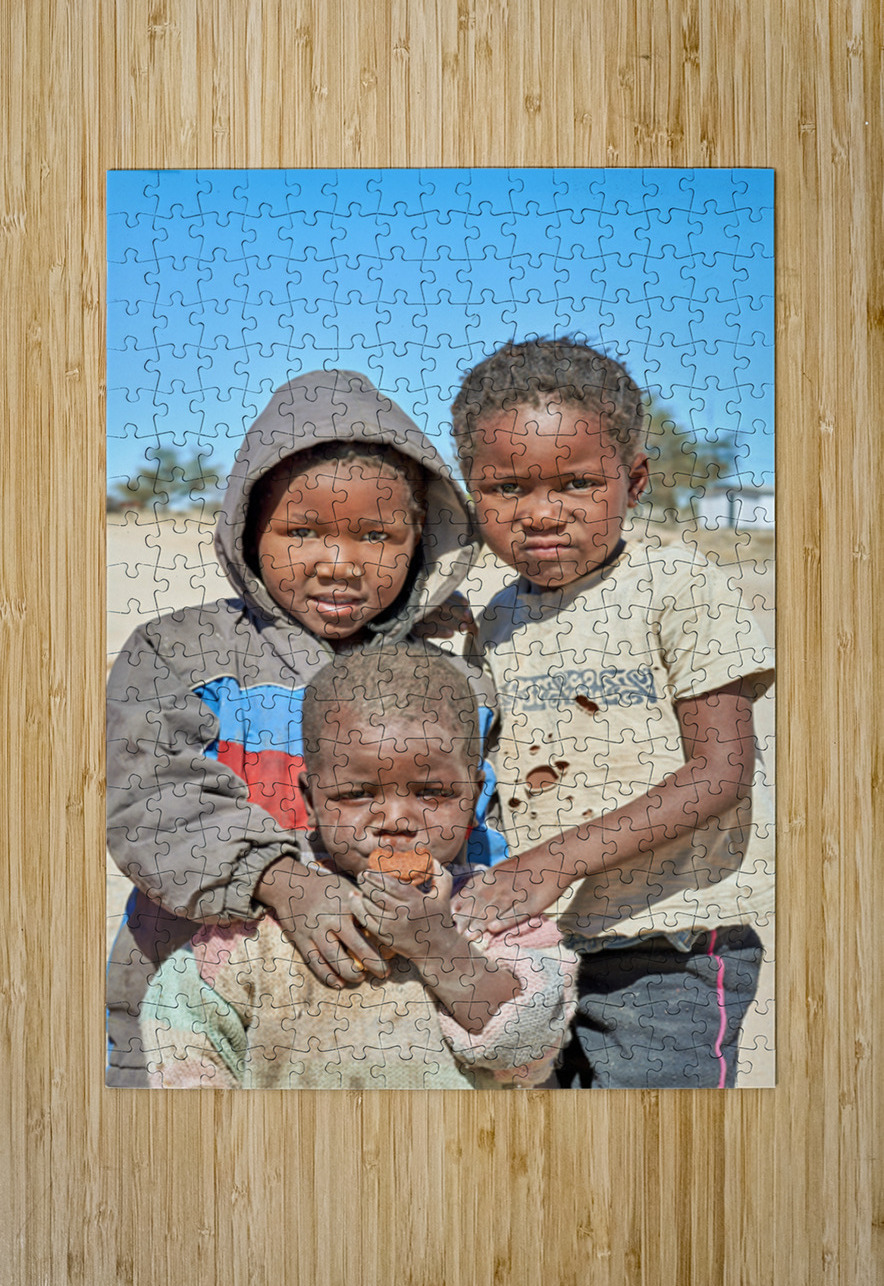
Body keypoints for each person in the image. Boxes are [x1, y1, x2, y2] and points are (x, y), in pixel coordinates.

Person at [106, 370, 504, 1086]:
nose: (339, 563)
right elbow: (153, 805)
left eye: (377, 536)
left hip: (396, 1036)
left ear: (422, 539)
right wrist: (284, 882)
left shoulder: (456, 678)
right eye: (302, 532)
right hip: (186, 1026)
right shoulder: (178, 653)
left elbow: (482, 838)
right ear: (247, 528)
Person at [450, 337, 775, 1089]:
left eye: (577, 485)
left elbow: (720, 773)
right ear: (472, 493)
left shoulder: (676, 585)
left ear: (632, 481)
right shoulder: (494, 618)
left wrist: (554, 860)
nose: (541, 514)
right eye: (505, 490)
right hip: (540, 942)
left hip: (672, 945)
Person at [140, 644, 577, 1089]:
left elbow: (528, 1052)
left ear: (474, 793)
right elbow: (183, 1037)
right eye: (356, 794)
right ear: (311, 799)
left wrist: (439, 947)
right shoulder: (257, 926)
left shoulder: (498, 914)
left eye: (433, 793)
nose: (395, 820)